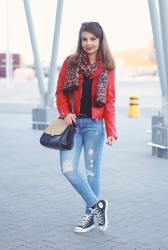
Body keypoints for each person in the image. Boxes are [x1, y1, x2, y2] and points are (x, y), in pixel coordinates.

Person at [55, 21, 117, 233]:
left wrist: (111, 131)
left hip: (95, 126)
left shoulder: (107, 67)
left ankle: (88, 217)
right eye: (84, 39)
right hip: (72, 125)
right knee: (69, 169)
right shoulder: (70, 62)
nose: (88, 43)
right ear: (80, 40)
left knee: (92, 174)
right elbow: (60, 92)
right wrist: (65, 112)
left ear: (100, 41)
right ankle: (97, 205)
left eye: (93, 38)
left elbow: (109, 100)